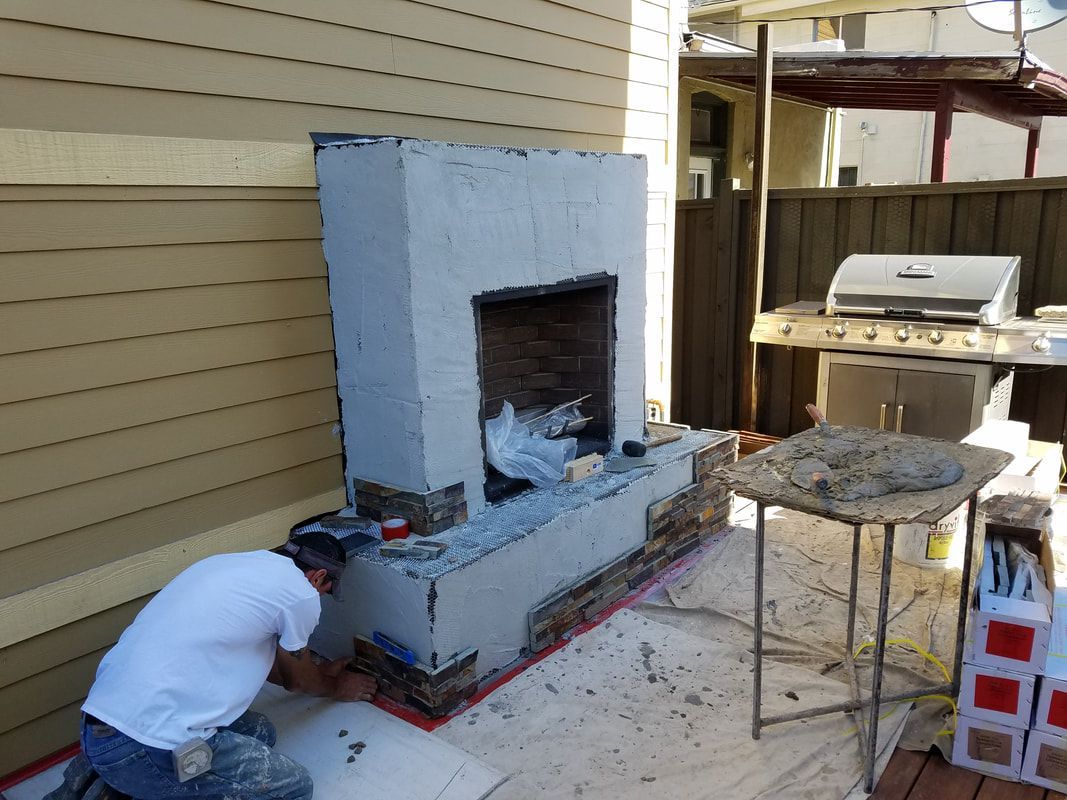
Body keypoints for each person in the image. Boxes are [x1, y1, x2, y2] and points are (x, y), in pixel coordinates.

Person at [75, 531, 378, 800]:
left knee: (260, 733)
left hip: (103, 727)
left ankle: (117, 784)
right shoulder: (300, 595)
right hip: (150, 748)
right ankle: (136, 784)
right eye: (327, 588)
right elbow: (298, 682)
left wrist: (316, 672)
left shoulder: (230, 565)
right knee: (293, 789)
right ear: (317, 576)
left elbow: (282, 669)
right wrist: (338, 687)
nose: (323, 595)